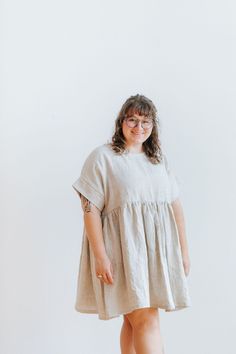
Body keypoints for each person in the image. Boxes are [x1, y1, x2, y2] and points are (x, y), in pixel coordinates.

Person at [72, 94, 192, 354]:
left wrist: (183, 251)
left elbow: (176, 207)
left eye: (146, 121)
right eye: (133, 120)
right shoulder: (103, 157)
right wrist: (100, 256)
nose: (139, 127)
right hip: (123, 254)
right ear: (121, 122)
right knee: (146, 319)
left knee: (133, 320)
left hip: (155, 255)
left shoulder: (157, 160)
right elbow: (90, 210)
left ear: (153, 125)